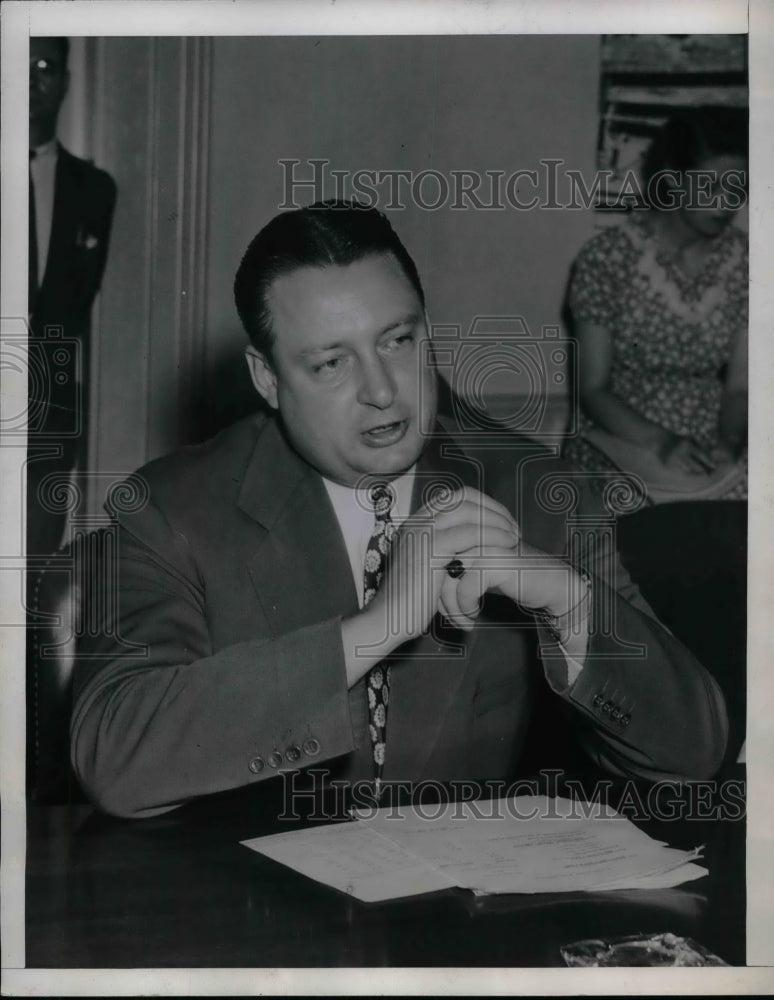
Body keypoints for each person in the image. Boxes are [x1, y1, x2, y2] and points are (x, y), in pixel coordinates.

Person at [71, 202, 727, 819]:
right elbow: (113, 755)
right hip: (249, 914)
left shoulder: (531, 486)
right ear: (267, 378)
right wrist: (376, 628)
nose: (382, 391)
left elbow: (692, 754)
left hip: (448, 922)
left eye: (398, 341)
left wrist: (568, 601)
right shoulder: (175, 506)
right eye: (331, 363)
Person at [563, 107, 748, 504]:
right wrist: (662, 443)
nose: (725, 202)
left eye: (738, 187)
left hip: (710, 438)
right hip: (620, 436)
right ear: (673, 180)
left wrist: (729, 443)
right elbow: (592, 388)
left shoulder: (748, 261)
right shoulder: (607, 257)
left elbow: (739, 386)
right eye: (710, 185)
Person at [27, 36, 117, 558]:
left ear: (64, 81)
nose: (33, 80)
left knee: (34, 559)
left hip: (50, 399)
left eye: (45, 67)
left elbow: (80, 298)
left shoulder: (94, 190)